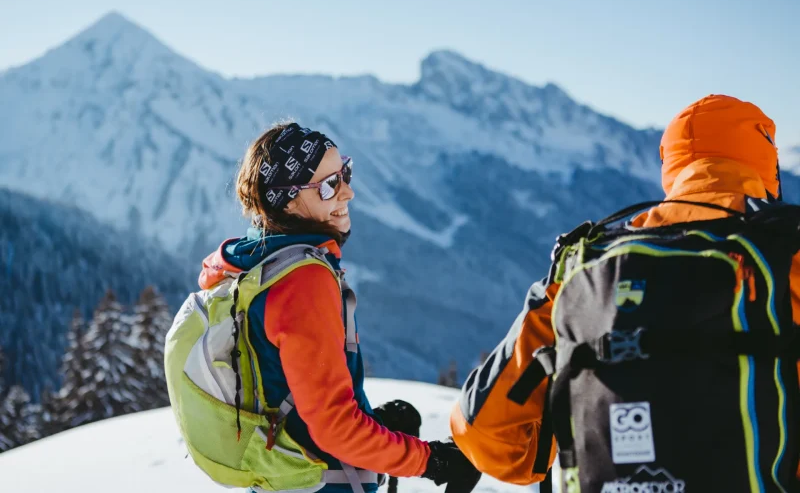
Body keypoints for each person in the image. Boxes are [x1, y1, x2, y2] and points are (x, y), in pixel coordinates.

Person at [448, 95, 800, 489]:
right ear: (766, 161)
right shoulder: (785, 256)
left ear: (670, 164)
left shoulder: (585, 267)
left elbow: (485, 433)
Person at [196, 122, 481, 493]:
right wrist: (433, 461)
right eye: (329, 185)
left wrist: (374, 421)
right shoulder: (302, 282)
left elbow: (284, 389)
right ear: (288, 200)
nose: (348, 191)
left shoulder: (256, 263)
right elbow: (335, 428)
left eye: (344, 171)